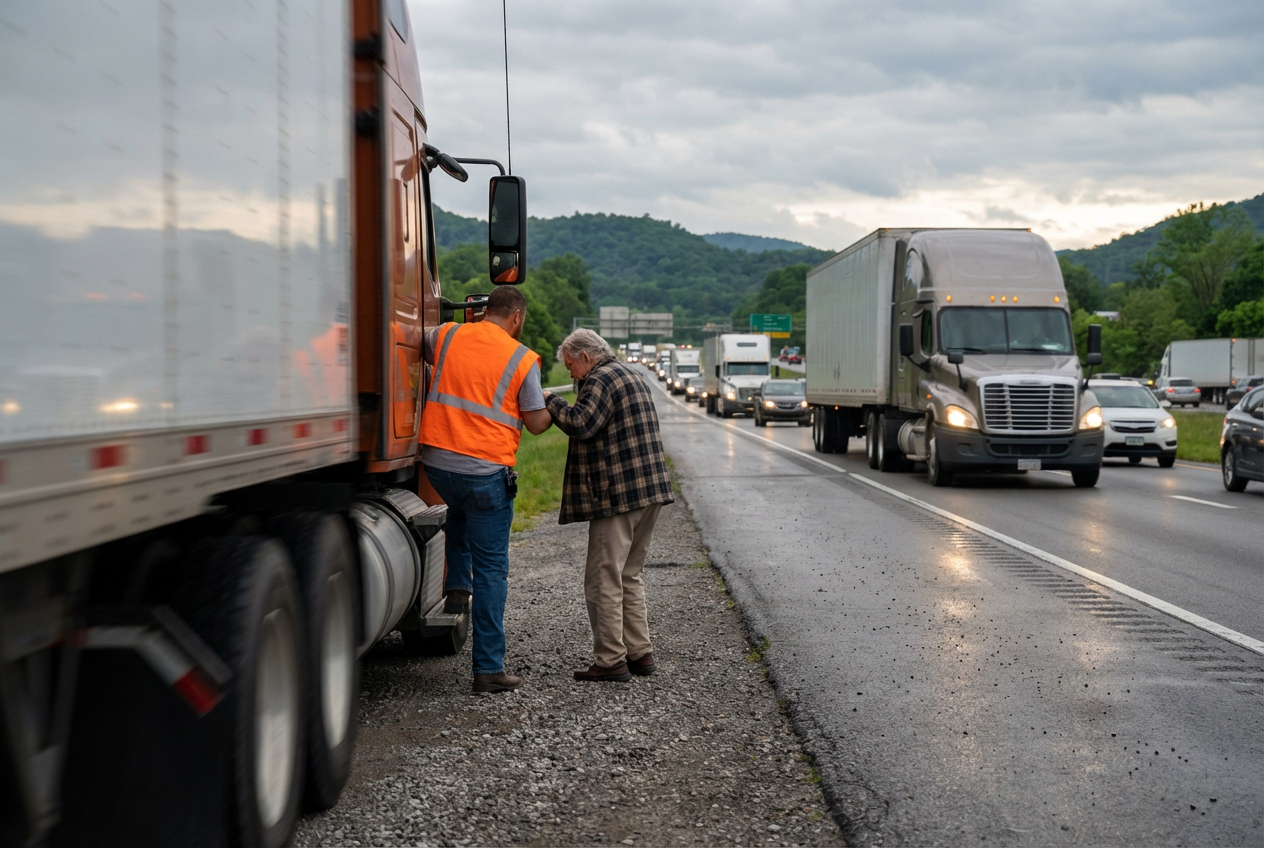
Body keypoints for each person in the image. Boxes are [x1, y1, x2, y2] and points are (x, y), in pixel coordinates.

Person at [420, 285, 552, 693]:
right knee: (493, 569)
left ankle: (458, 589)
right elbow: (535, 423)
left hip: (438, 463)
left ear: (484, 311)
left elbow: (420, 345)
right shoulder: (522, 358)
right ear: (517, 317)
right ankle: (489, 668)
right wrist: (548, 406)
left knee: (458, 510)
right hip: (485, 471)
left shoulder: (445, 335)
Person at [543, 329, 674, 682]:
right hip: (650, 491)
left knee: (603, 578)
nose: (571, 373)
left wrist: (549, 399)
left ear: (586, 357)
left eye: (571, 366)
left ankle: (610, 660)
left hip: (619, 494)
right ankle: (640, 654)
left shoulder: (600, 378)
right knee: (629, 575)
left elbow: (581, 423)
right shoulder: (631, 373)